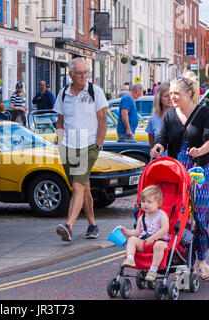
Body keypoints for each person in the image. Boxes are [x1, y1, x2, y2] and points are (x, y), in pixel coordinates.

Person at [150, 72, 209, 281]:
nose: (172, 97)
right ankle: (181, 259)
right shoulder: (169, 115)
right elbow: (161, 139)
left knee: (200, 216)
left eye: (176, 93)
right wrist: (157, 149)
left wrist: (200, 150)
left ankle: (201, 260)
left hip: (200, 169)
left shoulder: (204, 113)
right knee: (178, 214)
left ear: (189, 93)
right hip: (176, 169)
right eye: (170, 93)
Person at [53, 57, 108, 242]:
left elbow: (102, 120)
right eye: (79, 73)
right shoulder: (63, 94)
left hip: (89, 145)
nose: (84, 76)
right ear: (70, 75)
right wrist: (60, 143)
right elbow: (60, 121)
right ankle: (92, 224)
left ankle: (68, 226)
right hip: (68, 146)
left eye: (86, 73)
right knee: (84, 187)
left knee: (77, 186)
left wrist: (98, 144)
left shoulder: (95, 91)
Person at [118, 185, 170, 282]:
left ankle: (153, 270)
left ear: (158, 204)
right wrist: (126, 231)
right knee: (132, 239)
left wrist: (153, 238)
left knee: (158, 245)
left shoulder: (161, 215)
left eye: (149, 202)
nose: (145, 204)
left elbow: (165, 229)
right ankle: (130, 258)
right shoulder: (142, 217)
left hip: (159, 241)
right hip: (145, 242)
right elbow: (137, 232)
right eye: (143, 201)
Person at [145, 82, 172, 155]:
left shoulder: (181, 118)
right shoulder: (153, 120)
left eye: (171, 95)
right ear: (159, 98)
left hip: (175, 162)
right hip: (159, 161)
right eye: (166, 96)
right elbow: (152, 145)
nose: (170, 98)